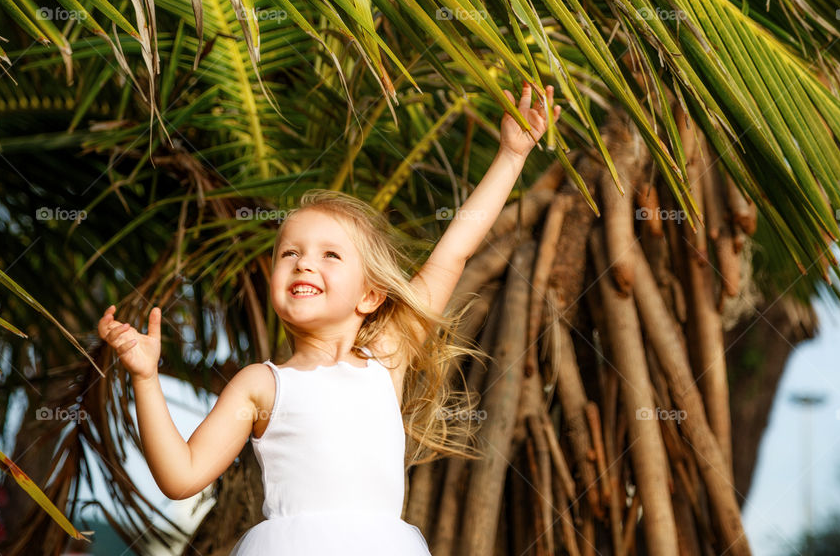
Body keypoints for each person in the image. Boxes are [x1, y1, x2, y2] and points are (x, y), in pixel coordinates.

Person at [98, 83, 560, 555]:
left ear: (371, 295)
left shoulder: (389, 356)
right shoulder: (260, 385)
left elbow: (455, 251)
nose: (303, 263)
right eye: (290, 253)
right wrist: (145, 377)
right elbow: (181, 476)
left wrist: (510, 155)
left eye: (330, 255)